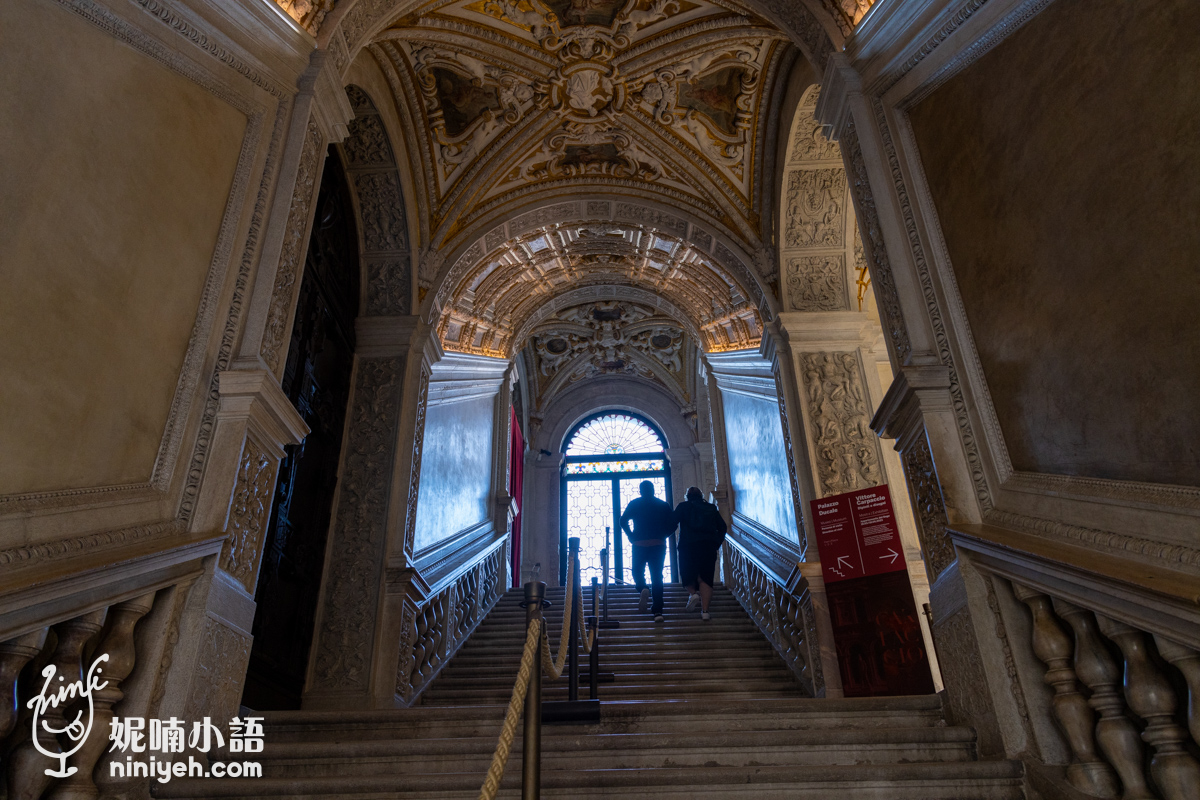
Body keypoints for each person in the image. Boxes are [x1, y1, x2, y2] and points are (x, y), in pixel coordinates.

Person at [618, 480, 675, 622]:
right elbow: (673, 523)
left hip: (639, 543)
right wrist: (664, 535)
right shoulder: (663, 505)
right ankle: (658, 612)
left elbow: (623, 520)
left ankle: (643, 588)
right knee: (657, 576)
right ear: (653, 490)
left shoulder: (634, 503)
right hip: (658, 544)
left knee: (637, 571)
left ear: (641, 490)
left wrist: (631, 536)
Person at [674, 487, 727, 621]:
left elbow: (672, 523)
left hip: (688, 546)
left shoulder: (683, 507)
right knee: (706, 578)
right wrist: (716, 543)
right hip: (708, 546)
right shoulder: (711, 508)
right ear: (701, 495)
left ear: (687, 496)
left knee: (687, 573)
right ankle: (705, 611)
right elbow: (722, 527)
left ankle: (693, 594)